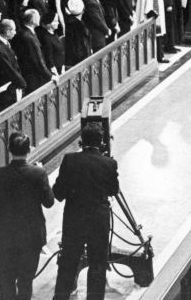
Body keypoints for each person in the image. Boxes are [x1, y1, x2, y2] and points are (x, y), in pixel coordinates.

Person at [53, 123, 119, 300]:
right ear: (102, 142)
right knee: (98, 263)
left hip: (74, 219)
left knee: (68, 262)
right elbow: (113, 190)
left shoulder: (69, 160)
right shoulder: (109, 163)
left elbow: (58, 194)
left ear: (81, 141)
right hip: (98, 219)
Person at [0, 132, 54, 300]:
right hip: (31, 236)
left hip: (6, 236)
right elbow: (49, 202)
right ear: (29, 150)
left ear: (9, 150)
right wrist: (42, 174)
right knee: (26, 280)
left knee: (7, 280)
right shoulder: (38, 174)